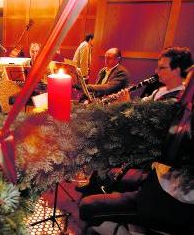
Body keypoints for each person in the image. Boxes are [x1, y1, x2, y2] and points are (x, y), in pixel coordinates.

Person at [79, 47, 193, 233]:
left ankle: (101, 212)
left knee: (102, 171)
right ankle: (97, 195)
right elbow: (139, 110)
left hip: (156, 180)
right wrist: (126, 105)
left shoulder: (176, 104)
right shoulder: (160, 91)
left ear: (179, 72)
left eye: (162, 68)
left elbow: (141, 129)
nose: (156, 72)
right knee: (101, 170)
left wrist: (124, 107)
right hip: (154, 179)